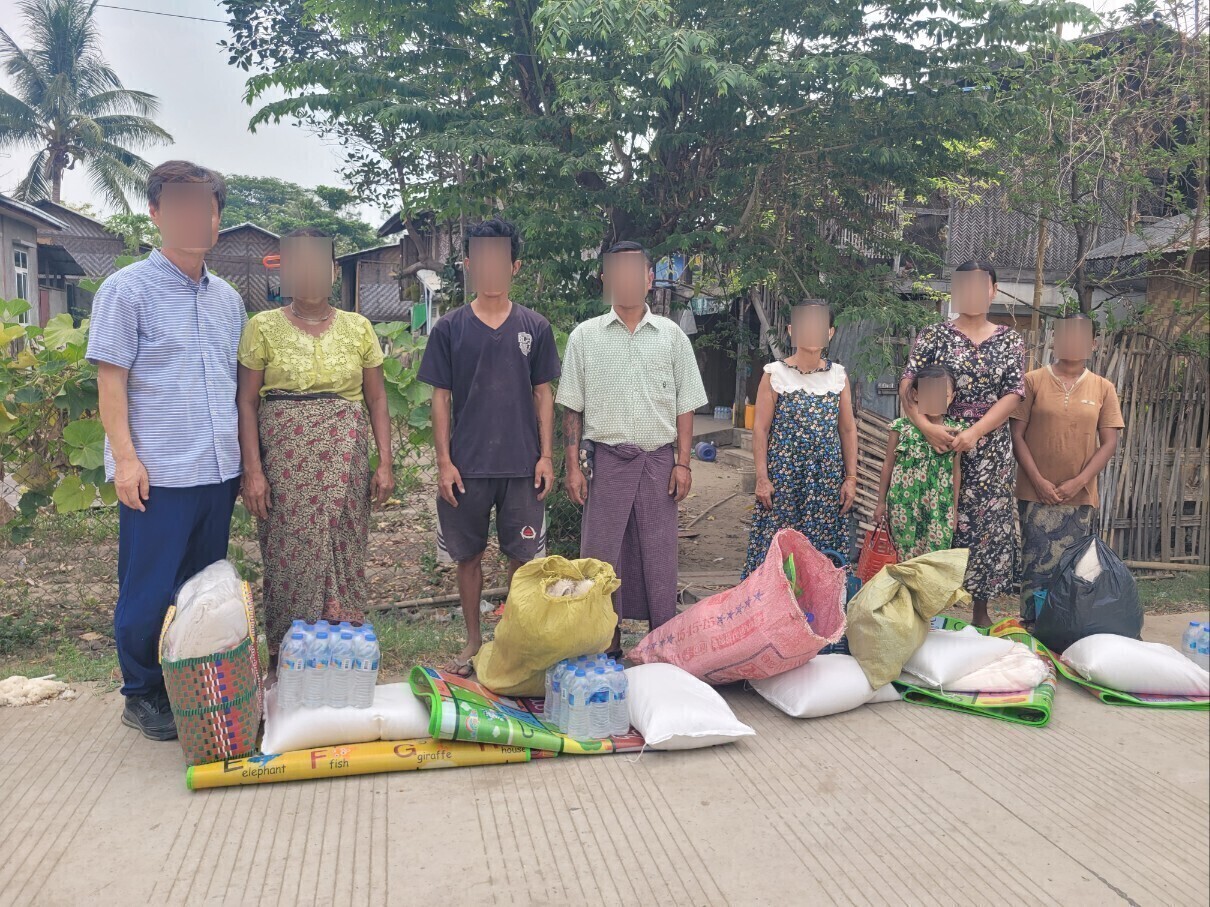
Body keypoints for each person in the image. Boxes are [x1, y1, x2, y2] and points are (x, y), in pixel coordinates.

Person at [87, 161, 243, 741]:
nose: (193, 216)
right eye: (178, 205)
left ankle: (192, 683)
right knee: (149, 590)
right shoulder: (126, 290)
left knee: (204, 593)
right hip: (159, 473)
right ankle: (142, 691)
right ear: (155, 213)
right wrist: (125, 459)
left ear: (216, 218)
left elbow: (232, 384)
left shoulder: (228, 299)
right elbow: (111, 382)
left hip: (217, 469)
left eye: (204, 205)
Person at [236, 228, 394, 663]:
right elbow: (246, 404)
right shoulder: (261, 327)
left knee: (345, 549)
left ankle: (343, 658)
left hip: (346, 455)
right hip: (286, 462)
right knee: (289, 555)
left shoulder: (359, 327)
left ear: (331, 271)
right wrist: (253, 471)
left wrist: (385, 461)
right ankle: (285, 659)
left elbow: (376, 398)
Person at [417, 218, 561, 676]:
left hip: (522, 466)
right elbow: (440, 398)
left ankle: (514, 644)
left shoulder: (534, 327)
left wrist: (546, 455)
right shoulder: (450, 329)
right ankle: (474, 642)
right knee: (468, 557)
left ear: (514, 265)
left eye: (501, 257)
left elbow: (544, 394)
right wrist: (443, 462)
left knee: (522, 559)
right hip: (467, 465)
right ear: (469, 265)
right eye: (482, 258)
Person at [559, 241, 709, 651]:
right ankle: (604, 644)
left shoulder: (672, 337)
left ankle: (662, 645)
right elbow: (571, 406)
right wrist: (572, 466)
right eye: (616, 272)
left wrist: (684, 464)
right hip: (605, 464)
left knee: (659, 557)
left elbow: (686, 405)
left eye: (634, 272)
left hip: (658, 464)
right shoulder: (584, 337)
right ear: (606, 279)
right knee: (600, 556)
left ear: (647, 279)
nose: (626, 281)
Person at [899, 260, 1025, 626]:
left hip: (989, 449)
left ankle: (980, 612)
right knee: (934, 520)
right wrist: (926, 427)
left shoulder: (1010, 339)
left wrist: (975, 432)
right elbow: (909, 383)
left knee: (984, 525)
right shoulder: (933, 335)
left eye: (978, 285)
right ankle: (925, 609)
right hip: (936, 445)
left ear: (992, 290)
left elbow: (1013, 394)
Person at [1011, 312, 1123, 620]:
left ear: (1093, 344)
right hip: (1035, 493)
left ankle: (1064, 628)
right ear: (1054, 340)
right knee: (1034, 565)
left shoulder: (1103, 388)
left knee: (1071, 566)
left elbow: (1109, 443)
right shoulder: (1032, 381)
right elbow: (1016, 436)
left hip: (1079, 495)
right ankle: (1032, 627)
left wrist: (1078, 481)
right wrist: (1038, 481)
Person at [743, 301, 857, 578]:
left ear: (830, 333)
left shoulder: (838, 376)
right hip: (784, 481)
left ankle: (815, 616)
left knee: (820, 553)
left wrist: (850, 478)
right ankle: (774, 615)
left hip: (826, 482)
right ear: (792, 331)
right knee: (778, 549)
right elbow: (760, 429)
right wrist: (762, 478)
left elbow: (847, 430)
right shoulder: (775, 374)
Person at [873, 365, 963, 559]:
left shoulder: (955, 433)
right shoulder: (901, 428)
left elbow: (956, 472)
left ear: (952, 397)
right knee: (905, 559)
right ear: (915, 394)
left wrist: (954, 510)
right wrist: (881, 502)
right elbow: (888, 465)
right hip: (902, 506)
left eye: (943, 395)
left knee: (935, 561)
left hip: (939, 508)